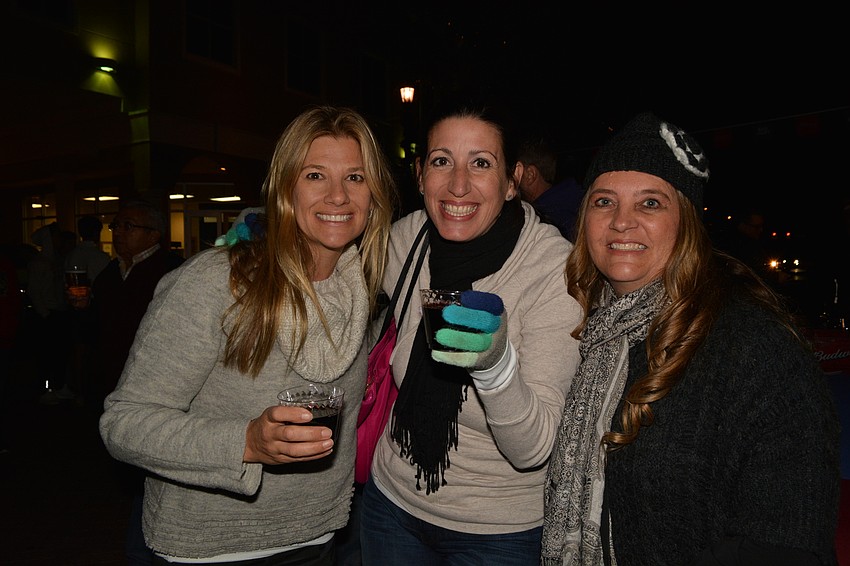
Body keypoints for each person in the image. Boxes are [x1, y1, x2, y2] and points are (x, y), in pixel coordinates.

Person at [99, 105, 396, 565]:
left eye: (355, 177)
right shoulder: (217, 282)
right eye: (315, 175)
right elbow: (124, 423)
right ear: (285, 188)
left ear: (374, 193)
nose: (338, 196)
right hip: (209, 548)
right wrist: (246, 442)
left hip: (318, 538)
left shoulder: (364, 292)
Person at [541, 111, 840, 565]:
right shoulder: (588, 331)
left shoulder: (753, 345)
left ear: (686, 221)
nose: (621, 222)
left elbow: (788, 538)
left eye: (650, 203)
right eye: (604, 201)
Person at [359, 98, 583, 565]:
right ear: (420, 175)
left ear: (511, 182)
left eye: (481, 163)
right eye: (442, 161)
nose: (458, 185)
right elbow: (332, 278)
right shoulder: (406, 240)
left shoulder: (551, 269)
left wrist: (496, 368)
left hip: (497, 531)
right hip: (391, 504)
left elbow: (534, 450)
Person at [63, 214, 111, 400]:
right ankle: (88, 390)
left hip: (74, 308)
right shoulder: (101, 258)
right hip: (94, 309)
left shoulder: (72, 255)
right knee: (92, 351)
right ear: (97, 232)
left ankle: (79, 390)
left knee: (78, 351)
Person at [517, 135, 584, 241]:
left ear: (530, 175)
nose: (510, 182)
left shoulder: (546, 223)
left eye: (516, 172)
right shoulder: (574, 203)